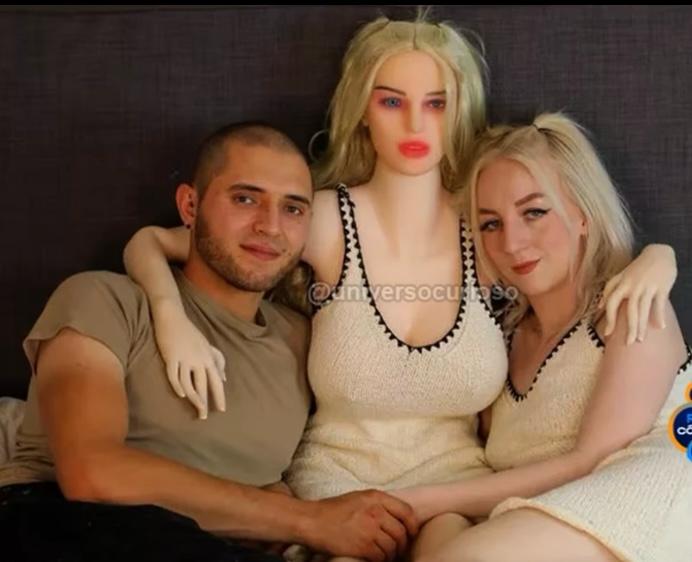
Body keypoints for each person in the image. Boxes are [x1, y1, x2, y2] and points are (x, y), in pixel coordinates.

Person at [122, 16, 678, 561]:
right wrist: (172, 322)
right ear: (362, 111)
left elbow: (574, 255)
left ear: (458, 112)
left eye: (436, 104)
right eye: (391, 101)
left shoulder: (486, 229)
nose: (415, 123)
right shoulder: (324, 222)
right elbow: (154, 242)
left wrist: (658, 258)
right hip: (337, 487)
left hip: (457, 497)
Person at [0, 122, 418, 562]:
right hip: (59, 523)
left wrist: (277, 511)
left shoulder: (304, 342)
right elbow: (92, 473)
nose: (270, 226)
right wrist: (305, 519)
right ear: (190, 205)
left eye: (293, 209)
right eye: (245, 199)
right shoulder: (104, 300)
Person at [393, 113, 692, 562]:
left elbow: (590, 459)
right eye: (491, 224)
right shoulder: (499, 342)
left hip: (656, 490)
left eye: (534, 212)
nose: (512, 243)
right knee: (440, 533)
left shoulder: (633, 305)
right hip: (550, 519)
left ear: (583, 214)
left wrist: (415, 501)